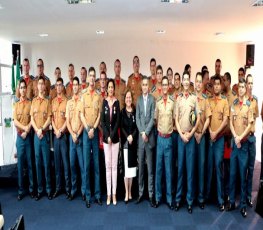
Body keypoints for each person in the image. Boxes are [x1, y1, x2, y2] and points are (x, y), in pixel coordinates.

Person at [227, 78, 254, 218]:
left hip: (243, 145)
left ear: (246, 89)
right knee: (232, 175)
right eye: (240, 87)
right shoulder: (234, 104)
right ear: (237, 90)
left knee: (243, 176)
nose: (242, 89)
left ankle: (243, 205)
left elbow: (250, 125)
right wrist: (234, 136)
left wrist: (240, 137)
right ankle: (232, 202)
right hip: (235, 146)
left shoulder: (249, 105)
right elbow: (230, 122)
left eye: (244, 87)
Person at [175, 71, 200, 214]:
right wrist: (181, 134)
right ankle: (178, 199)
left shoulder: (194, 98)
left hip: (190, 139)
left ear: (188, 82)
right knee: (180, 170)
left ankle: (189, 201)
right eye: (183, 79)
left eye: (186, 79)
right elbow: (176, 119)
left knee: (190, 171)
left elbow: (197, 120)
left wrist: (190, 134)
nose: (184, 82)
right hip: (181, 138)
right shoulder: (178, 99)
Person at [206, 76, 229, 211]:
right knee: (209, 168)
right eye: (214, 84)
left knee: (218, 168)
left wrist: (215, 133)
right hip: (210, 139)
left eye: (218, 84)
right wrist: (210, 132)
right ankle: (208, 196)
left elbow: (225, 121)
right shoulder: (209, 100)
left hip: (219, 139)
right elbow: (208, 118)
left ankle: (220, 200)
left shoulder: (225, 101)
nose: (216, 86)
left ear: (221, 86)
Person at [80, 67, 102, 208]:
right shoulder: (83, 95)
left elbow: (99, 114)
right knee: (87, 166)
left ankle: (98, 195)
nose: (92, 79)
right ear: (88, 78)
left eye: (94, 76)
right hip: (86, 133)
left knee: (96, 166)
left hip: (94, 134)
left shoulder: (98, 95)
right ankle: (88, 195)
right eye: (91, 76)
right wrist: (88, 129)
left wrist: (94, 128)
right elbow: (81, 114)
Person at [30, 76, 52, 200]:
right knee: (38, 163)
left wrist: (42, 129)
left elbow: (49, 118)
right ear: (37, 86)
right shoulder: (33, 101)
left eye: (42, 84)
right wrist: (37, 130)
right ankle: (40, 190)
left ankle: (48, 189)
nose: (40, 86)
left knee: (46, 163)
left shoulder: (47, 102)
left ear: (44, 86)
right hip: (36, 137)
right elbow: (32, 118)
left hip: (44, 136)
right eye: (39, 84)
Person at [155, 76, 175, 210]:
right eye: (162, 84)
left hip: (169, 139)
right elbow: (156, 120)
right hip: (160, 138)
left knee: (168, 171)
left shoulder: (173, 102)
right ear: (161, 87)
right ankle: (157, 197)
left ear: (168, 86)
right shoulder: (158, 103)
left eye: (166, 84)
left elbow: (174, 119)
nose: (164, 87)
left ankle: (169, 199)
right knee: (159, 170)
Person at [136, 76, 156, 207]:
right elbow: (137, 118)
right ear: (141, 86)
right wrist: (142, 132)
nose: (144, 87)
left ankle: (150, 195)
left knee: (150, 169)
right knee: (141, 169)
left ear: (148, 87)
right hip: (141, 140)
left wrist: (146, 132)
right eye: (142, 84)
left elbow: (153, 119)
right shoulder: (137, 100)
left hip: (149, 139)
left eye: (146, 85)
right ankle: (140, 193)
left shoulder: (153, 99)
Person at [13, 79, 34, 200]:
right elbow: (15, 121)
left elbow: (32, 119)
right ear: (19, 90)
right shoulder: (16, 105)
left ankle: (31, 189)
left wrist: (27, 130)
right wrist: (24, 129)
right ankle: (21, 190)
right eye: (21, 88)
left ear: (26, 89)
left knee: (30, 164)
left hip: (28, 136)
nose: (23, 90)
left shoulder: (30, 103)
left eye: (24, 87)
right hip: (20, 138)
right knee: (20, 165)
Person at [66, 77, 86, 201]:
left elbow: (83, 121)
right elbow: (67, 121)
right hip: (71, 138)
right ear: (71, 87)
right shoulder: (69, 103)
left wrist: (78, 133)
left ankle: (83, 191)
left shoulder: (82, 102)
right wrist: (72, 134)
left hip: (80, 137)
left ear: (79, 87)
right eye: (73, 85)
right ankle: (74, 190)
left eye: (76, 85)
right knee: (72, 165)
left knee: (82, 166)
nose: (74, 87)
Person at [101, 79, 120, 205]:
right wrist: (107, 136)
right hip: (106, 140)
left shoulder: (117, 102)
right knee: (108, 167)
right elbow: (103, 121)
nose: (111, 89)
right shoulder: (104, 102)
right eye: (109, 87)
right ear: (107, 89)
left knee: (114, 167)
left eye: (112, 87)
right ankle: (108, 194)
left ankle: (114, 194)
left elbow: (118, 121)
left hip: (115, 140)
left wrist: (112, 136)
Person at [194, 72, 211, 209]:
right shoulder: (190, 98)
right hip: (192, 137)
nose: (199, 84)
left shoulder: (205, 99)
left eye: (200, 81)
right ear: (194, 83)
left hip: (202, 137)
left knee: (201, 167)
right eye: (197, 81)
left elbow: (208, 118)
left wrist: (201, 133)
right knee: (191, 167)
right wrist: (194, 134)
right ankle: (192, 196)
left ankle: (200, 197)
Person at [51, 77, 70, 199]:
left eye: (60, 85)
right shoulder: (52, 102)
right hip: (55, 136)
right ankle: (58, 188)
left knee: (66, 163)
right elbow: (51, 119)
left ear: (63, 87)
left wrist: (61, 130)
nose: (58, 87)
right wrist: (55, 130)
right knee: (57, 164)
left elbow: (68, 119)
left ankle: (68, 189)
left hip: (63, 136)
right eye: (57, 85)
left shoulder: (67, 101)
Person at [120, 90, 138, 204]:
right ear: (125, 99)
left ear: (132, 99)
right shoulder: (122, 112)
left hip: (133, 144)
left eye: (130, 97)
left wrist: (133, 136)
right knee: (126, 170)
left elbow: (137, 127)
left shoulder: (135, 112)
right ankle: (126, 192)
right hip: (126, 144)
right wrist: (127, 137)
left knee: (131, 170)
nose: (128, 99)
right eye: (126, 97)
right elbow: (121, 127)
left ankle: (130, 191)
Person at [246, 74, 259, 207]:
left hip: (252, 137)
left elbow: (256, 117)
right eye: (248, 83)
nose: (250, 86)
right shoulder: (242, 101)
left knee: (251, 168)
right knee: (243, 169)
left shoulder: (255, 100)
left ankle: (249, 196)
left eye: (251, 83)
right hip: (244, 138)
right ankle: (243, 196)